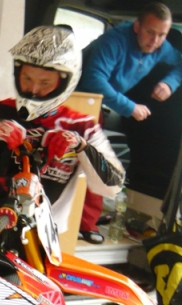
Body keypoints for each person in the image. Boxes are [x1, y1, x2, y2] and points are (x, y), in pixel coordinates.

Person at [0, 25, 124, 243]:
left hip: (43, 236)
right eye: (27, 78)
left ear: (65, 82)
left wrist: (81, 146)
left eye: (45, 83)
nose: (33, 90)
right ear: (17, 73)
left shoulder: (81, 125)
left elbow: (112, 187)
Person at [76, 2, 182, 243]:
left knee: (96, 163)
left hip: (97, 106)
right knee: (93, 162)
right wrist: (130, 107)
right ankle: (83, 224)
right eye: (150, 32)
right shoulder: (114, 41)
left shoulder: (161, 47)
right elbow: (94, 79)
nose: (155, 41)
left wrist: (169, 83)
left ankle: (86, 223)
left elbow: (180, 63)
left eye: (162, 35)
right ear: (137, 26)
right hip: (79, 101)